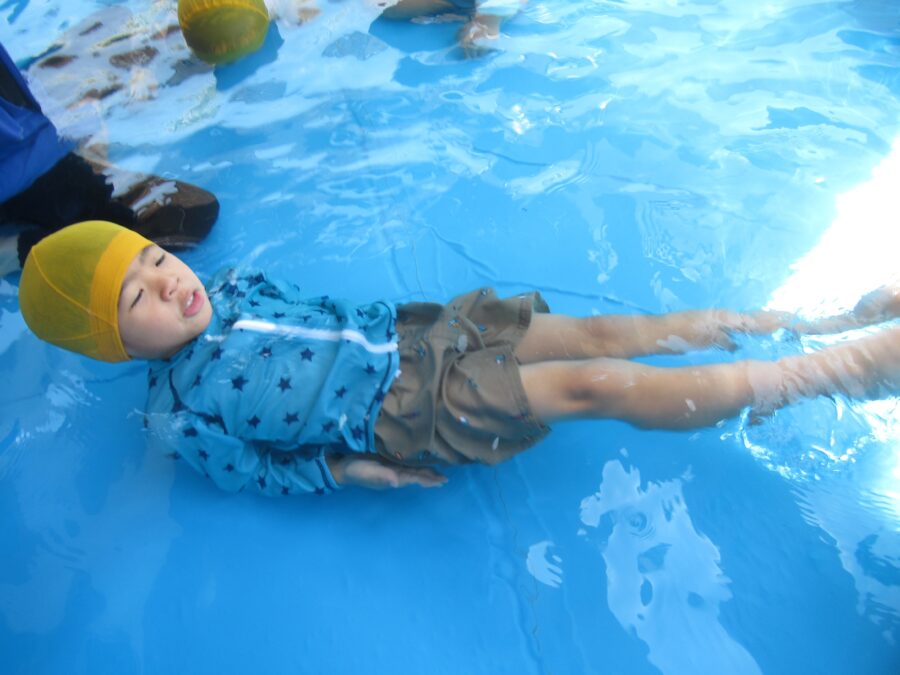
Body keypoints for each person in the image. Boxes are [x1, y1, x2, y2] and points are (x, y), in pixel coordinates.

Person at [16, 221, 900, 495]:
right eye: (136, 297)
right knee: (594, 383)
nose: (169, 283)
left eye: (154, 258)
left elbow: (322, 314)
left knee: (605, 333)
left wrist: (421, 329)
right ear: (111, 342)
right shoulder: (180, 415)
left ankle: (815, 322)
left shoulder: (234, 284)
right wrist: (354, 471)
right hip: (401, 409)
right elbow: (261, 470)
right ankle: (819, 375)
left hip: (419, 332)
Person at [0, 42, 219, 277]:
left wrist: (69, 130)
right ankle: (20, 248)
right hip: (24, 166)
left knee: (192, 212)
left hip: (28, 141)